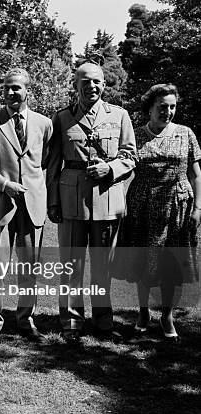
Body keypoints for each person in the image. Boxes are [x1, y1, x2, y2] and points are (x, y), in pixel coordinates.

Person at [46, 62, 136, 343]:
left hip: (107, 198)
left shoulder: (119, 115)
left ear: (104, 85)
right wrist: (53, 202)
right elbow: (52, 164)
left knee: (102, 265)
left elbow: (131, 156)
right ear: (75, 85)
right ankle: (71, 320)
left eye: (97, 81)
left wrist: (110, 169)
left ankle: (103, 319)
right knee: (71, 264)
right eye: (85, 81)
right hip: (71, 199)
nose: (91, 86)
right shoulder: (61, 118)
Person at [0, 68, 53, 344]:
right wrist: (4, 184)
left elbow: (45, 163)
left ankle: (25, 319)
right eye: (6, 87)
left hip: (32, 205)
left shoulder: (44, 124)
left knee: (29, 268)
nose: (10, 93)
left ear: (28, 90)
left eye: (16, 88)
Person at [116, 84, 201, 342]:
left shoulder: (186, 134)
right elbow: (124, 168)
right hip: (142, 205)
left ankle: (167, 315)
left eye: (172, 106)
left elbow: (196, 174)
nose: (168, 111)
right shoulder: (135, 135)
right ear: (150, 108)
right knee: (143, 261)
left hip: (177, 206)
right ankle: (143, 313)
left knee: (171, 264)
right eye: (162, 106)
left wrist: (198, 207)